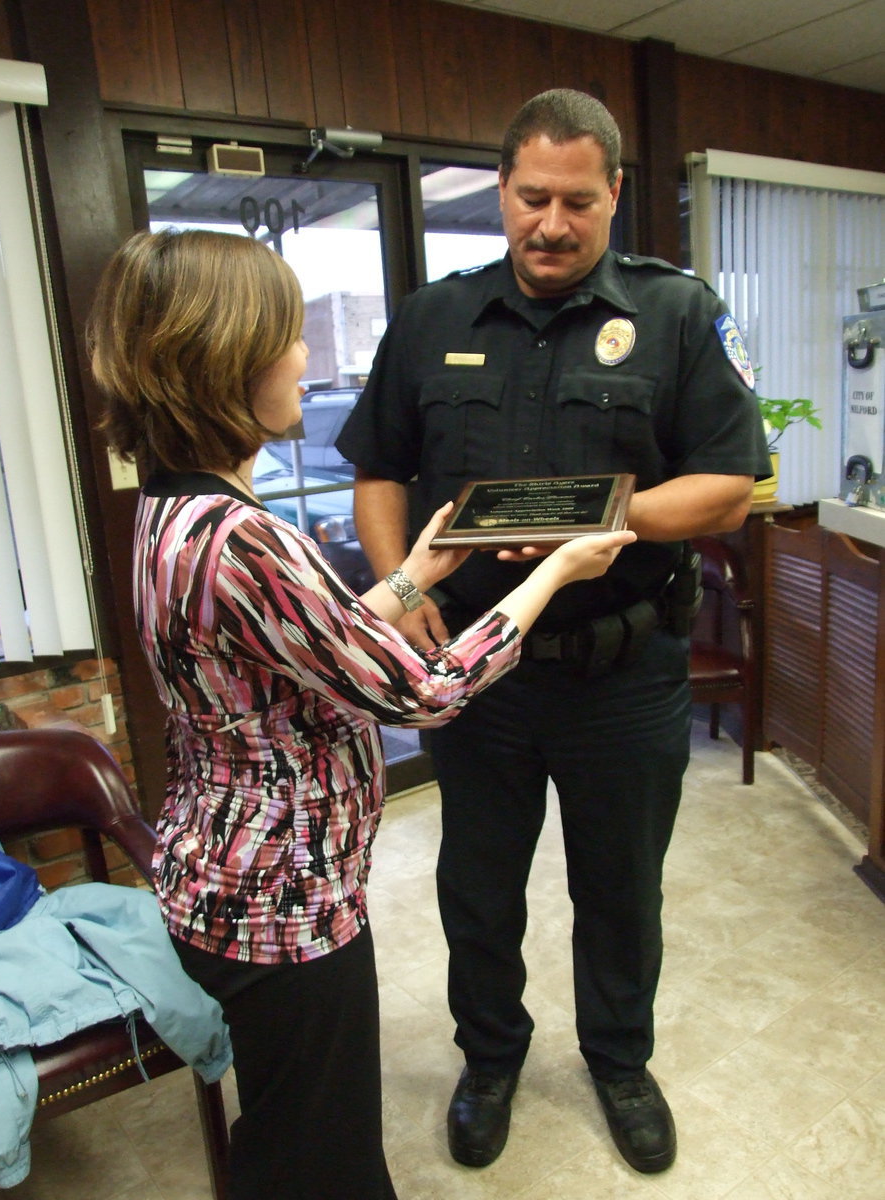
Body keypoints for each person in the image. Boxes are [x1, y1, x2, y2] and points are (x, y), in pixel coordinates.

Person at [86, 227, 635, 1200]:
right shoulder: (247, 537)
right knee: (324, 1163)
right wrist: (554, 567)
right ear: (229, 363)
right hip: (280, 911)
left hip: (222, 880)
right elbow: (422, 690)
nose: (307, 359)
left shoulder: (171, 514)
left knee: (290, 1132)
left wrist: (413, 574)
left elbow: (295, 653)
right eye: (290, 337)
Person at [336, 88, 771, 1176]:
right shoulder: (435, 317)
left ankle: (620, 1062)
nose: (553, 223)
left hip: (623, 666)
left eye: (579, 201)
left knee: (620, 889)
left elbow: (728, 486)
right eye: (533, 197)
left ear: (615, 195)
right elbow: (379, 466)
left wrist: (591, 524)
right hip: (478, 675)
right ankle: (490, 1059)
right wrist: (400, 580)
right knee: (477, 887)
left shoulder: (675, 314)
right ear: (503, 189)